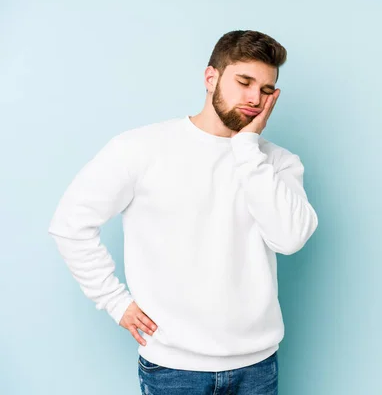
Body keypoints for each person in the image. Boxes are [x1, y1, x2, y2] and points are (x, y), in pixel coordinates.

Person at [48, 29, 319, 395]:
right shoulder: (140, 148)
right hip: (174, 369)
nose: (255, 98)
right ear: (211, 78)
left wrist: (246, 148)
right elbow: (70, 224)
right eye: (244, 82)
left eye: (267, 90)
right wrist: (115, 301)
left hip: (257, 366)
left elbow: (289, 239)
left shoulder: (277, 163)